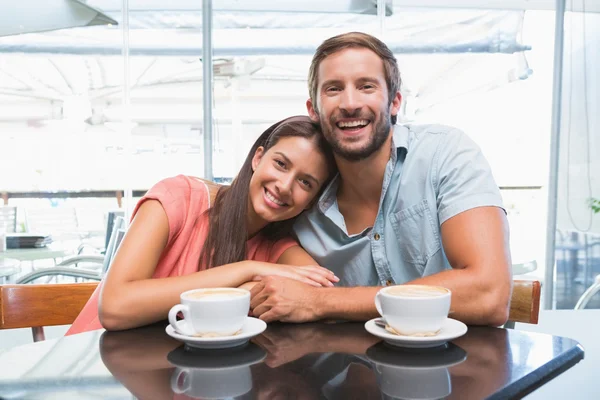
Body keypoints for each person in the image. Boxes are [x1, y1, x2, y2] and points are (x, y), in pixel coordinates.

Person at [250, 32, 512, 326]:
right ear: (313, 111)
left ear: (395, 102)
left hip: (460, 365)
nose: (350, 103)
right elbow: (240, 206)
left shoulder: (445, 153)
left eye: (366, 87)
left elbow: (489, 294)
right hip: (354, 367)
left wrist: (320, 302)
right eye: (334, 89)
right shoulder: (301, 202)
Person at [67, 115, 339, 334]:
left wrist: (247, 286)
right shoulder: (178, 198)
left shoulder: (276, 246)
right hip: (95, 368)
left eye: (305, 182)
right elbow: (114, 307)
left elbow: (320, 296)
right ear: (258, 158)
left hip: (174, 376)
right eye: (280, 164)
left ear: (311, 201)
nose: (284, 186)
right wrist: (245, 271)